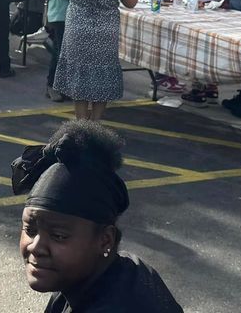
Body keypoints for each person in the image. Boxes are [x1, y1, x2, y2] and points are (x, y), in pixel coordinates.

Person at [12, 120, 184, 313]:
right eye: (30, 229)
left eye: (59, 235)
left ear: (105, 240)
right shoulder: (122, 268)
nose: (36, 246)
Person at [54, 0, 138, 120]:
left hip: (77, 29)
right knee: (103, 76)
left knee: (80, 76)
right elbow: (131, 2)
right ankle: (95, 124)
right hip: (105, 32)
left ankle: (81, 123)